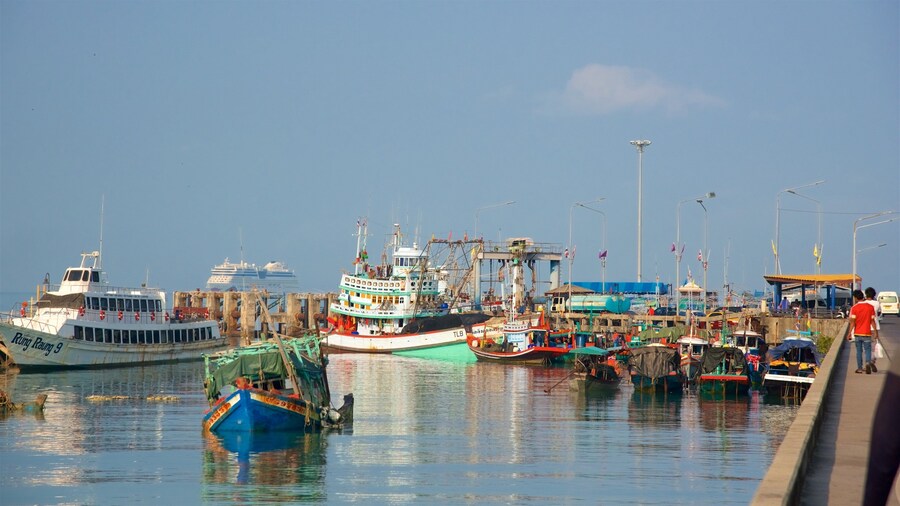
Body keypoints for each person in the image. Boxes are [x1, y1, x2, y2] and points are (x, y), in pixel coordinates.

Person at [847, 289, 879, 374]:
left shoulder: (854, 308)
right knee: (868, 350)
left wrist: (849, 333)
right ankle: (868, 362)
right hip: (867, 333)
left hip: (858, 333)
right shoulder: (870, 307)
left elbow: (852, 323)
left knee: (859, 351)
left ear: (856, 298)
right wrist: (876, 332)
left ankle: (860, 368)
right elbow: (872, 321)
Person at [865, 287, 882, 372]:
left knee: (866, 346)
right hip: (875, 327)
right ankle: (872, 360)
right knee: (874, 346)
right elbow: (879, 312)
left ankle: (867, 362)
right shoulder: (877, 303)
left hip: (865, 327)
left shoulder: (864, 303)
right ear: (874, 295)